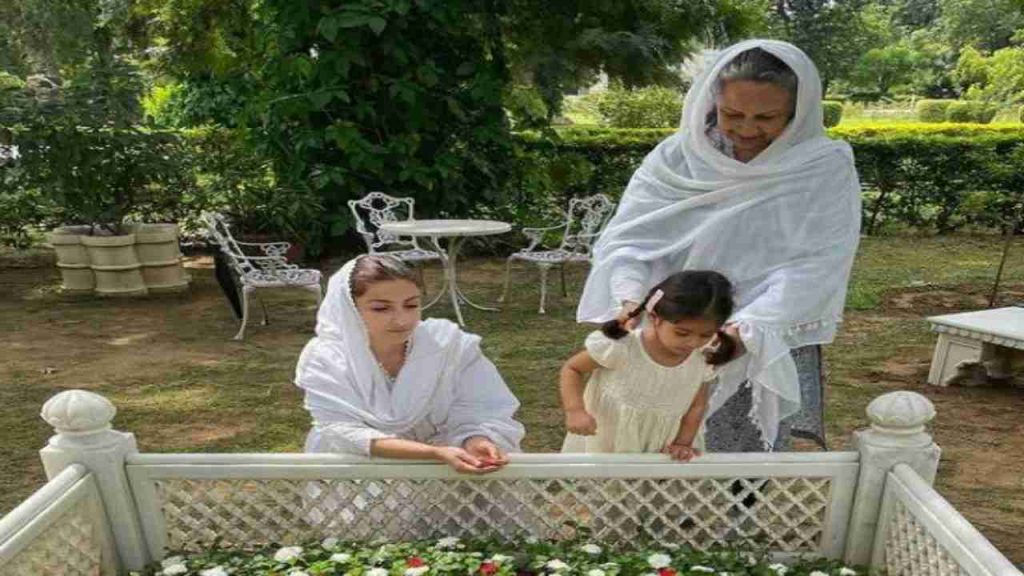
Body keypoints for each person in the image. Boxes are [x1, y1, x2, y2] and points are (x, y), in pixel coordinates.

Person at [577, 39, 862, 452]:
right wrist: (630, 295)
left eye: (767, 117)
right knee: (648, 447)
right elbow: (631, 242)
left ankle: (737, 518)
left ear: (799, 112)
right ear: (712, 102)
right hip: (669, 335)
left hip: (758, 333)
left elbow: (819, 262)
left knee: (739, 461)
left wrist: (747, 327)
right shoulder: (675, 158)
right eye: (732, 114)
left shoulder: (822, 166)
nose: (747, 129)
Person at [295, 254, 525, 474]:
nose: (402, 319)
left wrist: (475, 438)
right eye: (381, 308)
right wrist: (433, 453)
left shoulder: (448, 346)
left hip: (448, 471)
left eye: (411, 305)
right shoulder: (325, 358)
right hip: (357, 468)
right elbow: (341, 430)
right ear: (349, 309)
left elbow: (478, 407)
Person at [560, 271, 736, 459]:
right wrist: (575, 410)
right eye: (682, 333)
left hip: (662, 450)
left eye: (705, 335)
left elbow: (696, 406)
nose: (693, 343)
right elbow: (573, 369)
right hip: (607, 443)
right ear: (654, 317)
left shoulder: (701, 360)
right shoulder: (623, 348)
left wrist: (682, 443)